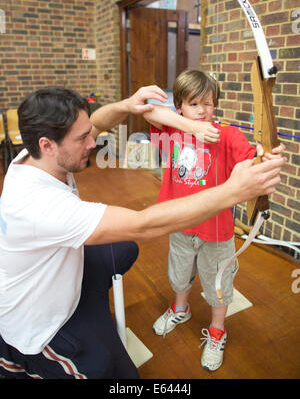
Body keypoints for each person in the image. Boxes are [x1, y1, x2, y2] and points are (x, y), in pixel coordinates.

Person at [0, 85, 284, 380]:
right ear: (47, 145)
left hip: (58, 269)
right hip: (40, 327)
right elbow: (144, 223)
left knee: (126, 248)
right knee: (121, 376)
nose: (92, 143)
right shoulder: (39, 205)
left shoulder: (34, 157)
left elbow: (97, 122)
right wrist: (233, 191)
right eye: (83, 138)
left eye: (87, 133)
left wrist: (127, 104)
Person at [143, 70, 285, 372]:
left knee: (218, 285)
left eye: (209, 103)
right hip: (179, 223)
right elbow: (146, 108)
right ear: (178, 106)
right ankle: (180, 308)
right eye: (194, 104)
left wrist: (267, 156)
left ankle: (218, 330)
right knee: (179, 275)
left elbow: (254, 158)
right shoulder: (171, 133)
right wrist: (188, 127)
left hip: (217, 230)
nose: (204, 111)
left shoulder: (228, 135)